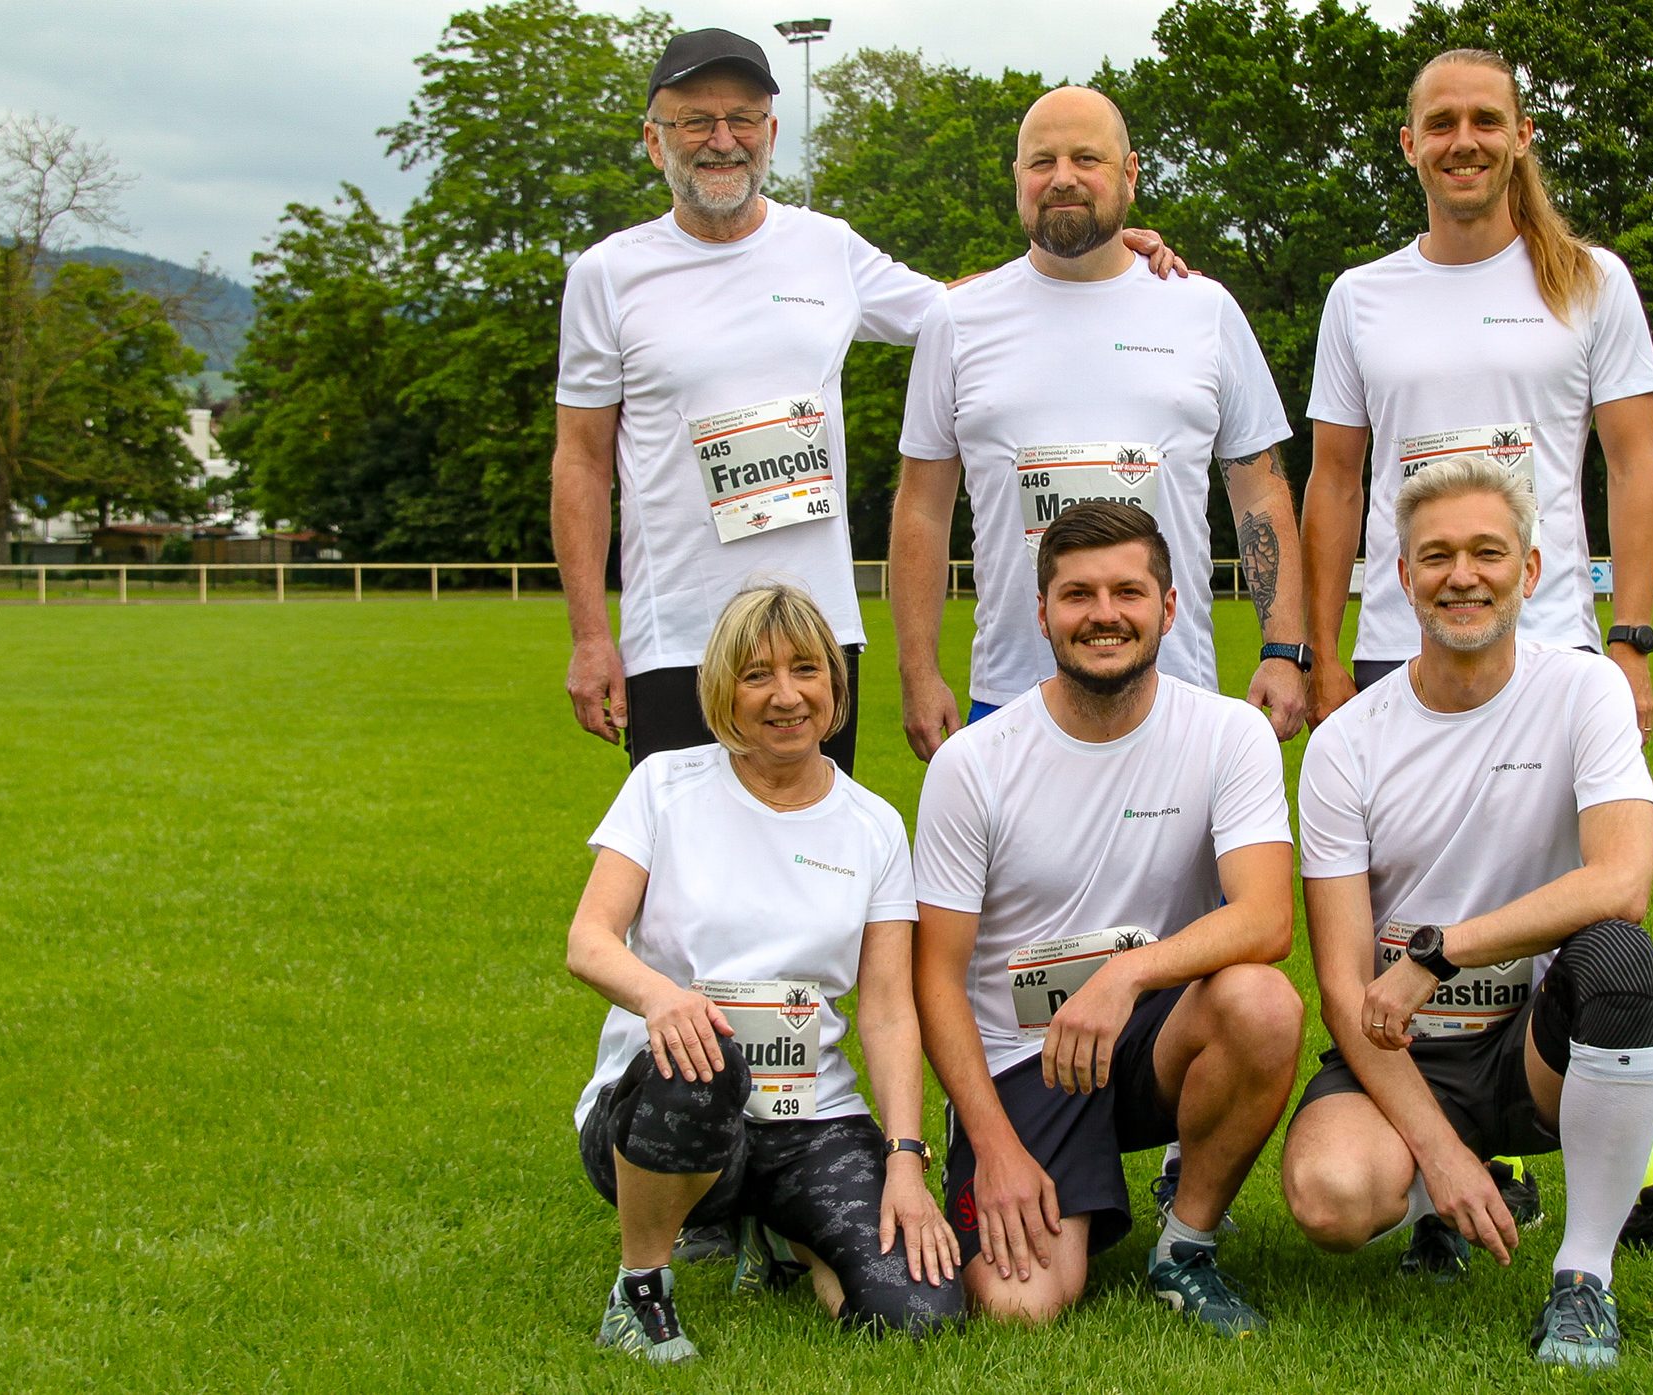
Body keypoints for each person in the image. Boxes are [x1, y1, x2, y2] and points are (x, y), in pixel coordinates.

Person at [1296, 46, 1653, 1275]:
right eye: (1440, 123)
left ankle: (1633, 1182)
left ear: (1521, 134)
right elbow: (1334, 480)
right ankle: (1444, 1170)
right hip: (1397, 650)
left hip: (1548, 648)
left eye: (1485, 119)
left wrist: (1630, 636)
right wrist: (1318, 652)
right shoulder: (1360, 296)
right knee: (1403, 928)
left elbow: (1631, 463)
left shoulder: (1588, 281)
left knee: (1582, 926)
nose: (1463, 140)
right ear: (1409, 146)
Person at [556, 31, 1187, 775]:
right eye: (695, 120)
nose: (722, 140)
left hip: (818, 643)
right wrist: (592, 634)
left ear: (771, 134)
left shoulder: (826, 247)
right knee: (685, 879)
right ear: (655, 141)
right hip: (679, 641)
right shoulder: (608, 274)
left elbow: (961, 310)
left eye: (744, 119)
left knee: (815, 865)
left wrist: (1103, 254)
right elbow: (581, 459)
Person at [1279, 456, 1653, 1370]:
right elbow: (1343, 984)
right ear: (1404, 577)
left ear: (1530, 572)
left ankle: (1585, 1279)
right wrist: (1442, 1152)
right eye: (1437, 556)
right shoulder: (1345, 743)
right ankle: (1433, 1201)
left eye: (1488, 552)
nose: (1462, 575)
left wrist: (1441, 950)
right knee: (1330, 1198)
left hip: (1533, 1046)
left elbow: (1622, 881)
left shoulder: (1584, 691)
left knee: (1620, 957)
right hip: (1397, 1041)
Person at [911, 501, 1302, 1334]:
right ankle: (1026, 1165)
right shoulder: (972, 765)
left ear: (1168, 607)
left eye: (1128, 591)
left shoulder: (1230, 735)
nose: (1103, 615)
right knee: (1022, 1306)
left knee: (1263, 1002)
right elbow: (935, 976)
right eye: (1078, 594)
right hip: (1024, 1056)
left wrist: (1124, 975)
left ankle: (1185, 1245)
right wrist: (996, 1147)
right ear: (1044, 612)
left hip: (1148, 1034)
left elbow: (1268, 919)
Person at [565, 582, 962, 1363]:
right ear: (722, 689)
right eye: (757, 675)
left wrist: (905, 1158)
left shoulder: (874, 823)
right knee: (703, 1064)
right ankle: (640, 1284)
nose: (786, 695)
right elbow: (589, 939)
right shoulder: (664, 787)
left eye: (806, 669)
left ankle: (784, 1231)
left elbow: (886, 1010)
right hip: (667, 1105)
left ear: (834, 683)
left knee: (918, 1308)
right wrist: (662, 997)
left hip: (811, 1120)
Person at [892, 85, 1309, 761]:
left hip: (1178, 696)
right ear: (1017, 180)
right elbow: (922, 510)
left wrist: (1285, 650)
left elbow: (1259, 491)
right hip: (1011, 700)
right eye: (1041, 161)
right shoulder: (957, 322)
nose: (1062, 178)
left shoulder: (1202, 309)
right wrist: (917, 671)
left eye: (1086, 158)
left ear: (1130, 174)